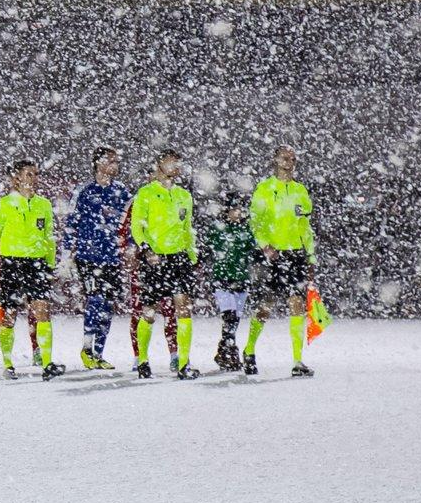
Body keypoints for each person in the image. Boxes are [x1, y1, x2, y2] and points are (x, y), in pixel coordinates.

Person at [0, 159, 62, 379]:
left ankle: (47, 363)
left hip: (37, 264)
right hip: (12, 263)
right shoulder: (4, 204)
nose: (34, 179)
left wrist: (50, 265)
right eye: (29, 174)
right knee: (9, 315)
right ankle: (8, 364)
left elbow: (49, 238)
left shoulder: (43, 204)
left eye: (36, 174)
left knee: (42, 312)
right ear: (16, 178)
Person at [248, 146, 318, 377]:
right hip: (273, 255)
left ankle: (297, 360)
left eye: (293, 158)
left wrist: (310, 255)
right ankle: (249, 349)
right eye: (285, 158)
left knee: (297, 305)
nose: (289, 161)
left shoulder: (300, 190)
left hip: (295, 254)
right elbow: (255, 221)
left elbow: (304, 226)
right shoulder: (265, 188)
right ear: (275, 160)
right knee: (266, 306)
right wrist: (265, 245)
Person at [130, 150, 200, 380]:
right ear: (159, 165)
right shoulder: (146, 193)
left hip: (178, 258)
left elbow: (187, 229)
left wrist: (192, 256)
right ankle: (143, 361)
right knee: (149, 312)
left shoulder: (184, 195)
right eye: (172, 162)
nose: (176, 166)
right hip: (155, 259)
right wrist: (146, 250)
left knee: (183, 308)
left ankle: (184, 364)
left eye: (178, 162)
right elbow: (137, 227)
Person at [64, 147, 131, 370]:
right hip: (88, 256)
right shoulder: (84, 191)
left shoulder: (121, 191)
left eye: (116, 161)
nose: (115, 165)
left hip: (111, 256)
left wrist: (130, 246)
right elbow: (71, 222)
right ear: (98, 163)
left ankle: (99, 353)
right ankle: (87, 348)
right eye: (110, 161)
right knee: (95, 299)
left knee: (108, 305)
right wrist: (67, 252)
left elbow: (130, 222)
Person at [206, 196, 257, 370]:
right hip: (222, 277)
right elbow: (212, 247)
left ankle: (224, 350)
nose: (238, 213)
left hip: (240, 278)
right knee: (229, 315)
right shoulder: (218, 228)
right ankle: (229, 351)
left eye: (240, 209)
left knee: (235, 319)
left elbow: (252, 249)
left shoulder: (246, 229)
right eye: (234, 209)